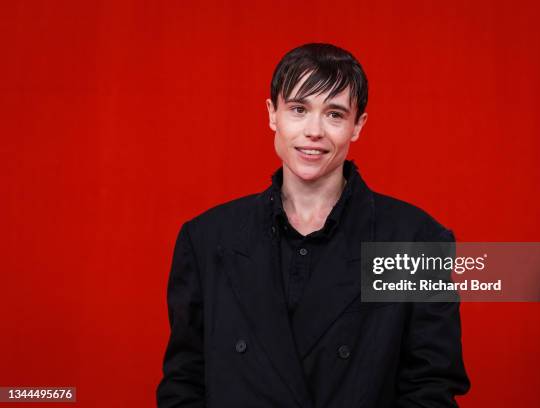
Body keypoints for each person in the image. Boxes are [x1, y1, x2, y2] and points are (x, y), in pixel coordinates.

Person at [157, 43, 470, 407]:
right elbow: (184, 382)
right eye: (299, 109)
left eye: (335, 114)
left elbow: (430, 389)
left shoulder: (414, 241)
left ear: (358, 126)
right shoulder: (207, 238)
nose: (314, 131)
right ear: (272, 115)